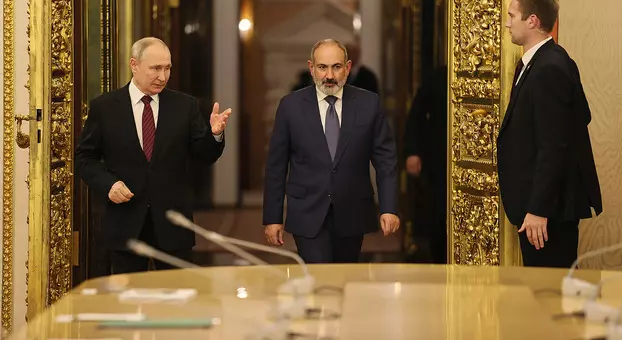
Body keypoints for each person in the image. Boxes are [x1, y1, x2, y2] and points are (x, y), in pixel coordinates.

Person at [75, 37, 232, 274]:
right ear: (134, 65)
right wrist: (109, 184)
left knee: (178, 295)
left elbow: (204, 155)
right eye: (156, 68)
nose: (163, 76)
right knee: (129, 295)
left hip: (173, 225)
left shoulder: (184, 106)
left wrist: (215, 135)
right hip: (125, 224)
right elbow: (85, 158)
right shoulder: (104, 108)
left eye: (167, 68)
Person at [262, 38, 400, 263]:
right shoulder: (290, 106)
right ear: (311, 68)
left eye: (336, 67)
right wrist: (272, 217)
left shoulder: (368, 103)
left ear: (347, 68)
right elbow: (276, 166)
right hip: (307, 211)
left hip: (353, 210)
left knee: (345, 276)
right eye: (322, 67)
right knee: (319, 275)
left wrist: (389, 208)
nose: (329, 75)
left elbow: (386, 160)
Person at [498, 0, 602, 268]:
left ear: (532, 20)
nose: (507, 23)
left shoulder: (550, 67)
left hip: (548, 212)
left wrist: (538, 209)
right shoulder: (537, 63)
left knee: (548, 289)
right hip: (540, 207)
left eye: (512, 15)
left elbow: (554, 145)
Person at [403, 65, 448, 263]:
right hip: (438, 159)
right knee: (437, 215)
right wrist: (412, 152)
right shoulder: (438, 76)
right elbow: (416, 116)